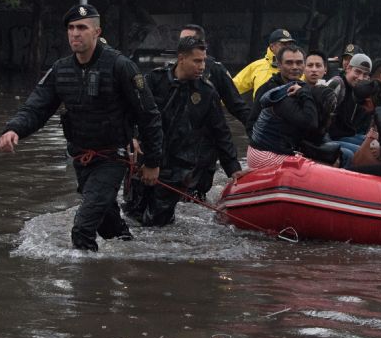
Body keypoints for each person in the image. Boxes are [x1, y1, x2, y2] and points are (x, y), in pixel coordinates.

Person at [0, 4, 162, 252]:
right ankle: (135, 258)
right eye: (71, 28)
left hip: (112, 158)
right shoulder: (61, 69)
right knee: (107, 226)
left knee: (83, 228)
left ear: (97, 32)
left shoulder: (120, 66)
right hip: (81, 157)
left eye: (82, 28)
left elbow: (148, 115)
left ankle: (86, 288)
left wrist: (152, 161)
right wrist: (14, 130)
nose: (75, 33)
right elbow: (37, 107)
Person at [124, 37, 242, 226]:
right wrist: (131, 137)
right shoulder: (154, 80)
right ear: (181, 58)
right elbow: (131, 112)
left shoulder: (206, 92)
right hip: (145, 159)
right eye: (197, 61)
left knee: (157, 222)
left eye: (203, 60)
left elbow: (221, 131)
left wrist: (233, 168)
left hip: (178, 167)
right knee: (132, 215)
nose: (202, 66)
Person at [178, 24, 249, 201]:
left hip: (204, 145)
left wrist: (258, 131)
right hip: (176, 144)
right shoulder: (166, 75)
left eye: (190, 40)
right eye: (181, 41)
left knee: (193, 197)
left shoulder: (214, 71)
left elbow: (236, 107)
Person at [247, 82, 339, 168]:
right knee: (319, 168)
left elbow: (316, 137)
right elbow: (310, 123)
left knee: (334, 159)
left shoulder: (305, 103)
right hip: (264, 154)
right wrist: (304, 94)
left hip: (280, 150)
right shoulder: (288, 101)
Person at [246, 44, 306, 137]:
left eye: (299, 63)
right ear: (279, 65)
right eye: (289, 63)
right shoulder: (267, 90)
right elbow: (251, 124)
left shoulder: (305, 89)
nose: (295, 67)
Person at [326, 53, 373, 161]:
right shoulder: (337, 84)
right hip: (329, 137)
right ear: (348, 69)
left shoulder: (360, 91)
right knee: (359, 153)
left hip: (346, 134)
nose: (361, 78)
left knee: (371, 145)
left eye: (365, 74)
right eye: (357, 72)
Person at [232, 28, 295, 96]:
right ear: (272, 47)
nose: (287, 47)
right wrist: (219, 103)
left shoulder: (298, 67)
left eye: (290, 44)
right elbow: (232, 88)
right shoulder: (257, 66)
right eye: (283, 44)